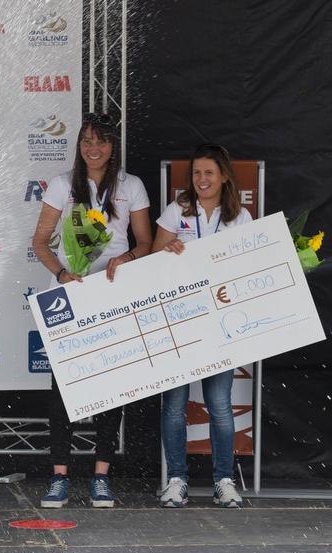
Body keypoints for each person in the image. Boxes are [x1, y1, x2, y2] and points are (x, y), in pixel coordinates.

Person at [30, 113, 153, 509]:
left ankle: (101, 476)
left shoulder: (131, 185)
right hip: (70, 294)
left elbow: (146, 243)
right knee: (62, 387)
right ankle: (59, 477)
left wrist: (127, 258)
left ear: (113, 146)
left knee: (110, 384)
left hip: (112, 293)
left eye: (100, 141)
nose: (92, 148)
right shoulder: (63, 184)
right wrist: (63, 273)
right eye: (86, 141)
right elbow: (40, 242)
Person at [153, 144, 252, 509]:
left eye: (209, 172)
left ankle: (223, 480)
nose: (202, 179)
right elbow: (153, 259)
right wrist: (169, 250)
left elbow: (247, 265)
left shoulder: (238, 216)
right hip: (180, 321)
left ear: (224, 175)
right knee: (174, 405)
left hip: (221, 324)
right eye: (196, 173)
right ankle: (176, 479)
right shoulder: (178, 209)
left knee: (220, 405)